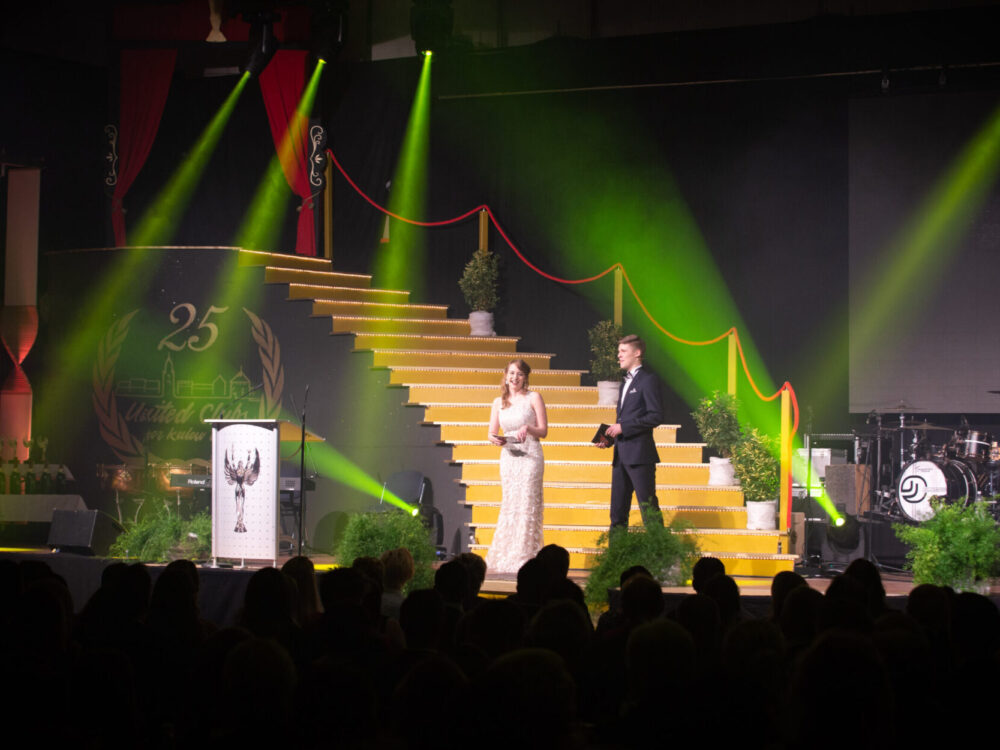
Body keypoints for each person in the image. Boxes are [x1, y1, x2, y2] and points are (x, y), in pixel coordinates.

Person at [485, 359, 547, 573]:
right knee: (510, 503)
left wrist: (528, 428)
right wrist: (495, 439)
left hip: (530, 455)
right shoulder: (498, 402)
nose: (514, 377)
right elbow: (491, 432)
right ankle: (506, 554)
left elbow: (544, 431)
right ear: (505, 375)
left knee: (527, 503)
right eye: (511, 373)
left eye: (519, 374)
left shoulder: (534, 397)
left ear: (525, 377)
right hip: (509, 457)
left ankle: (525, 556)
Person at [598, 334, 663, 528]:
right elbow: (623, 420)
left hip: (640, 456)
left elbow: (655, 416)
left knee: (649, 510)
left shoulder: (648, 380)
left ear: (637, 353)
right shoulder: (625, 382)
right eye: (619, 351)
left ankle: (659, 557)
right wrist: (609, 438)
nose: (619, 355)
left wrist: (624, 428)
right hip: (620, 456)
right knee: (617, 513)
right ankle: (616, 557)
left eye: (623, 351)